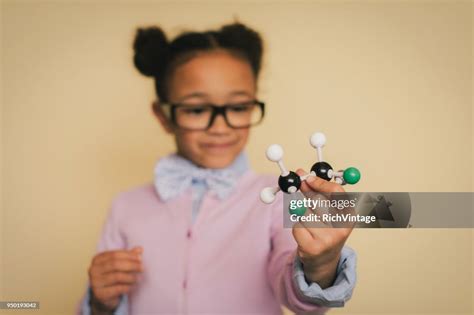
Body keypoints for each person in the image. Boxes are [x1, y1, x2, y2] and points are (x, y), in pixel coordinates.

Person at [77, 22, 357, 315]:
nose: (221, 127)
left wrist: (321, 263)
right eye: (197, 110)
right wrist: (100, 303)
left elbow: (298, 297)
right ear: (163, 115)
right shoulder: (125, 207)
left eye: (237, 108)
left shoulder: (281, 199)